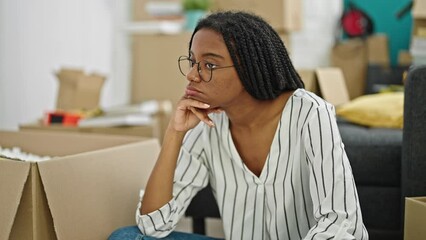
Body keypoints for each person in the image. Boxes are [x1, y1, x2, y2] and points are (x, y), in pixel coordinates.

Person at [109, 11, 368, 240]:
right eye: (191, 62)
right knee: (127, 237)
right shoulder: (204, 125)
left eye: (209, 64)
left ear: (250, 69)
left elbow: (341, 225)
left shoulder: (310, 112)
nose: (191, 75)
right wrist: (174, 134)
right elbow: (153, 225)